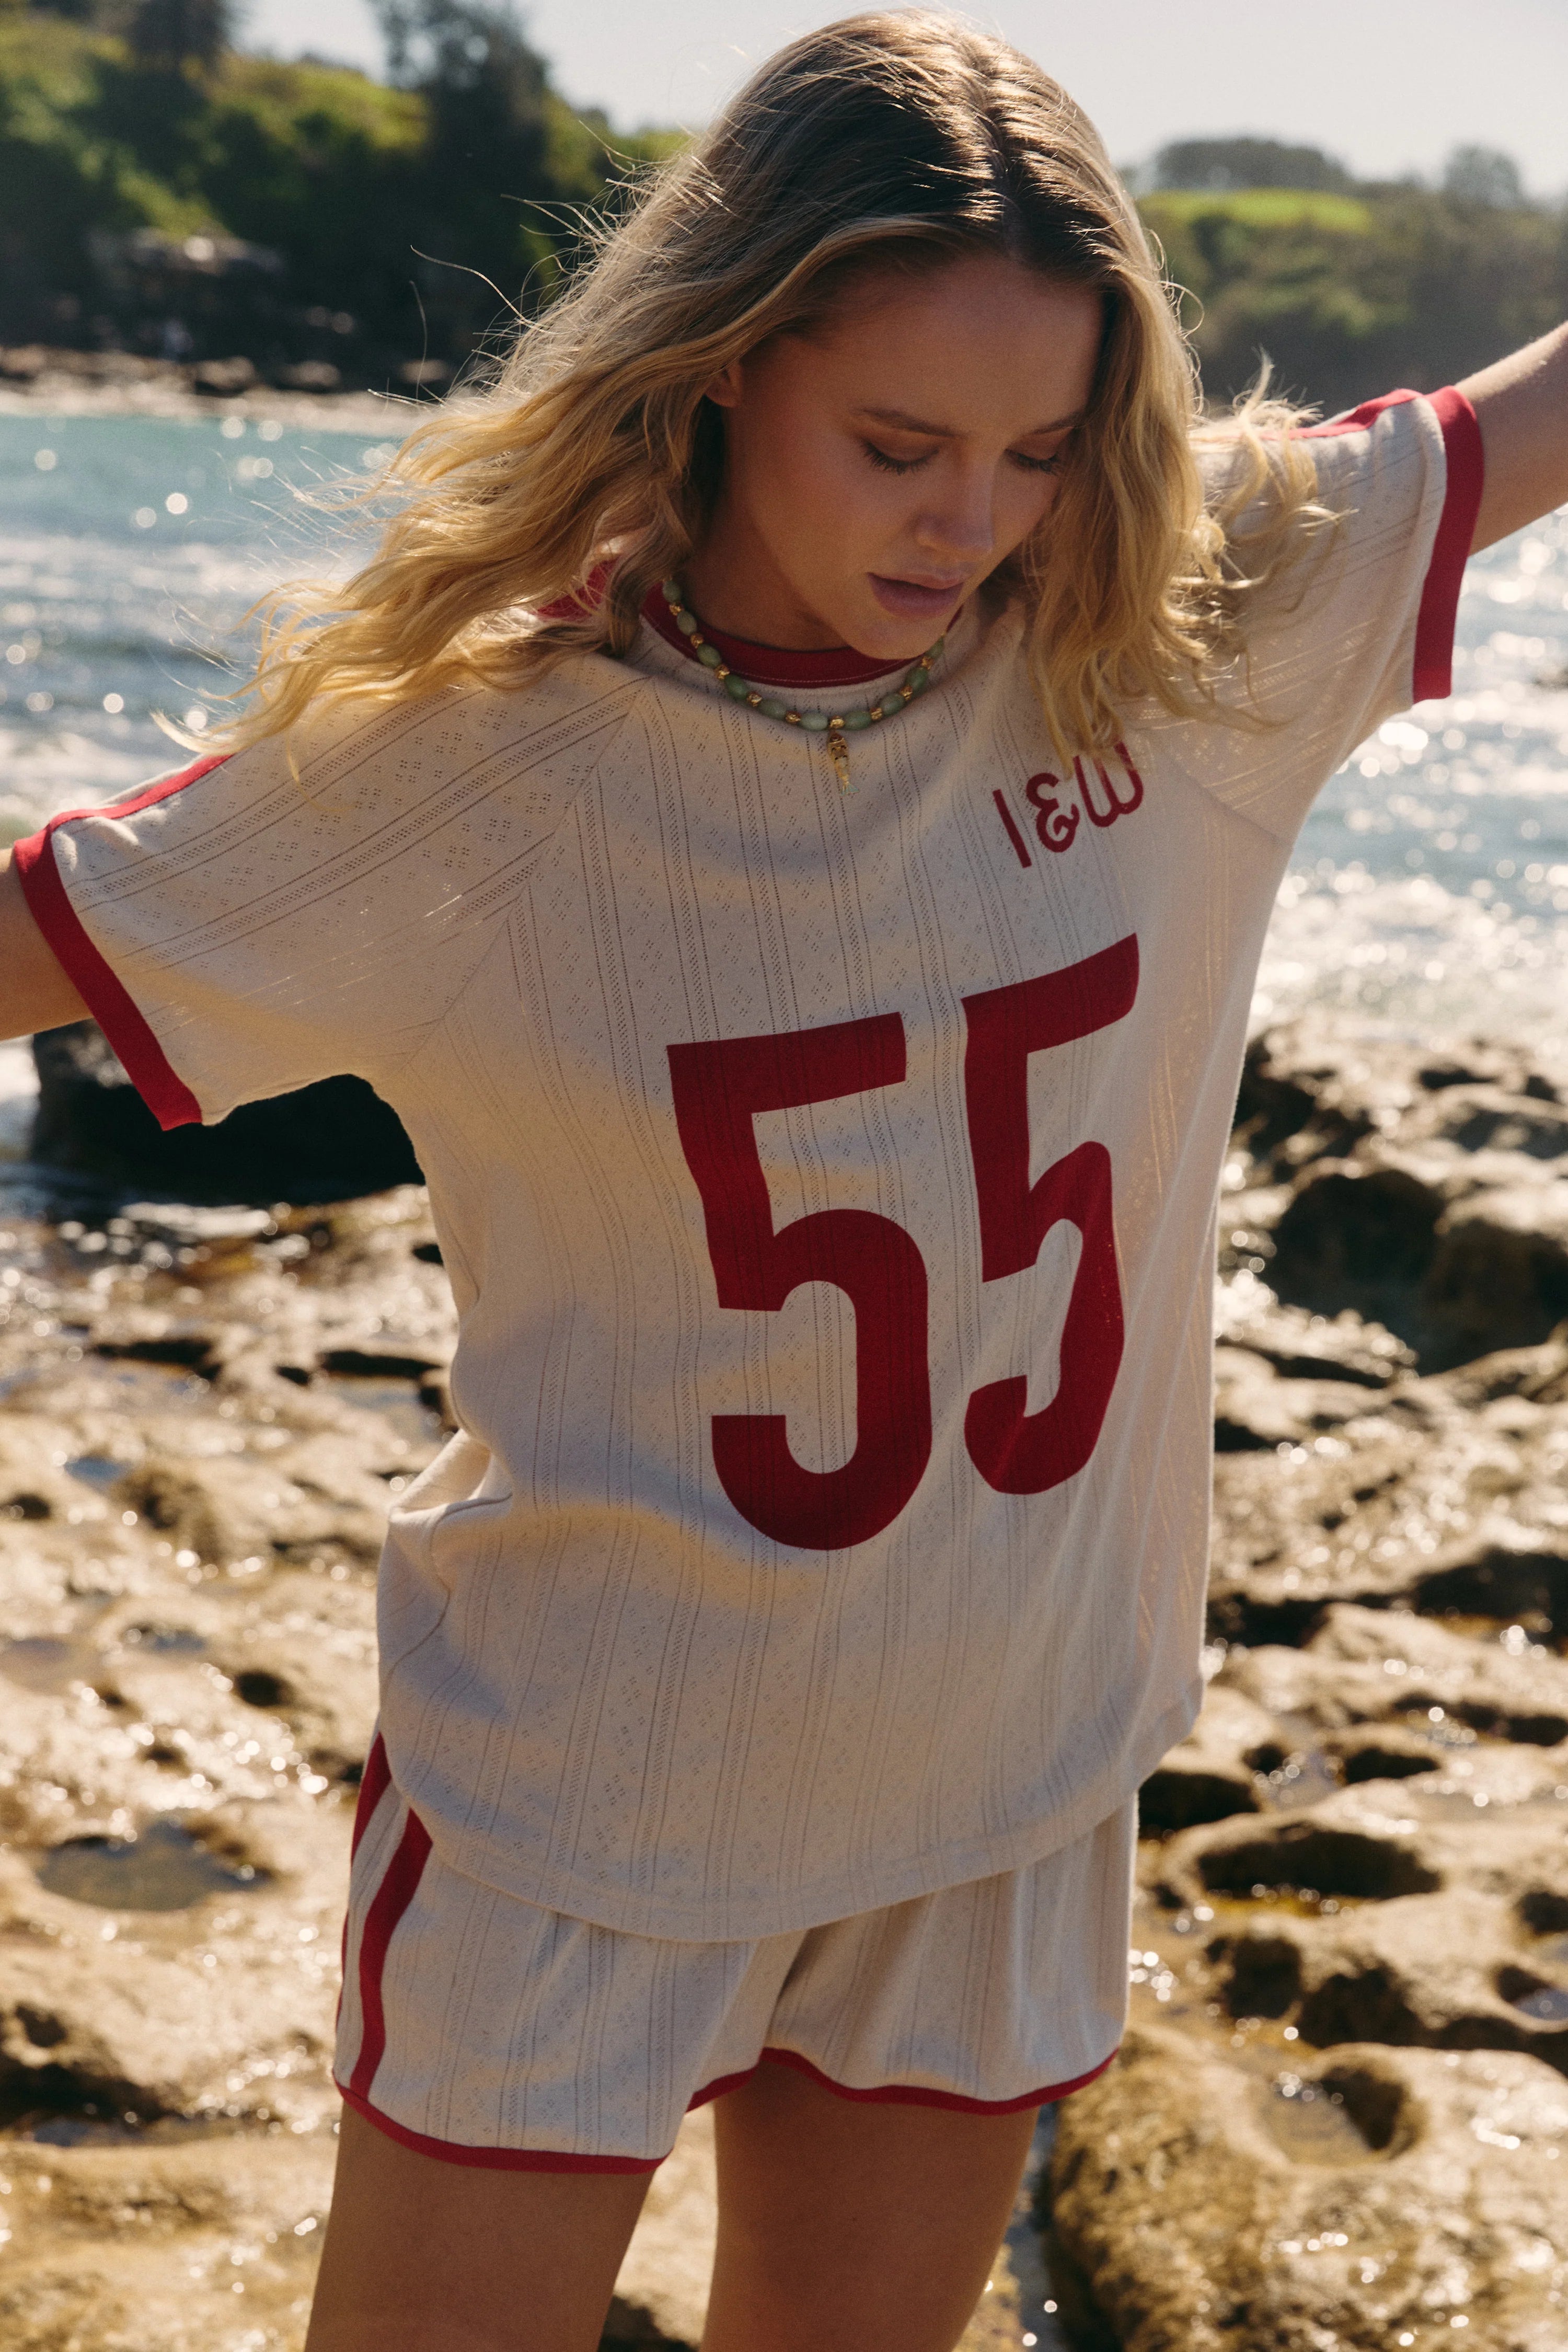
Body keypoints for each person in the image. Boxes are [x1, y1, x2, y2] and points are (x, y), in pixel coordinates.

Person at [2, 13, 1564, 2349]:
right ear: (725, 369)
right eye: (901, 444)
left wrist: (1062, 499)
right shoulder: (469, 780)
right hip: (584, 1809)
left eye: (1044, 447)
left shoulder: (1199, 628)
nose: (974, 521)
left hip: (1001, 1783)